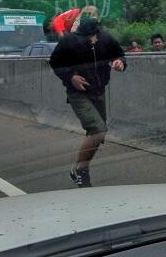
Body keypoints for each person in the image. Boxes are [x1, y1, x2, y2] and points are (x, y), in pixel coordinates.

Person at [49, 17, 126, 188]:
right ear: (81, 33)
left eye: (95, 35)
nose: (94, 39)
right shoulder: (69, 41)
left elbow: (119, 53)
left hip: (99, 91)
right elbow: (54, 62)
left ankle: (81, 169)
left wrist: (120, 62)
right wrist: (71, 77)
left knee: (98, 135)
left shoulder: (106, 38)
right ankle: (80, 170)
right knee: (98, 131)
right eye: (89, 37)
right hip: (78, 93)